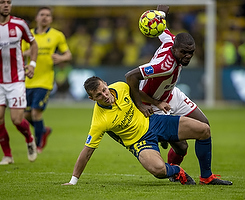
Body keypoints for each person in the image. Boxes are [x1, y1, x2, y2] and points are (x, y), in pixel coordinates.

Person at [62, 76, 232, 186]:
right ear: (92, 99)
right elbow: (87, 151)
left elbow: (138, 94)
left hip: (155, 122)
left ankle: (207, 177)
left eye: (104, 90)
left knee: (203, 129)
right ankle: (177, 171)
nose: (105, 95)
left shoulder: (121, 87)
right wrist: (73, 181)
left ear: (106, 84)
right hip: (140, 142)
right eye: (98, 95)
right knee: (158, 170)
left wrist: (156, 104)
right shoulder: (99, 121)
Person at [125, 5, 228, 185]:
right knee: (182, 146)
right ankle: (173, 168)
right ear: (174, 49)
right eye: (184, 53)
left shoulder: (171, 39)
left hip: (171, 94)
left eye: (191, 52)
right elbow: (130, 77)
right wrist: (142, 105)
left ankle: (206, 177)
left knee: (204, 126)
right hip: (153, 103)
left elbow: (160, 27)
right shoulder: (163, 66)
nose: (188, 56)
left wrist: (161, 13)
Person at [22, 6, 72, 153]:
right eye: (42, 14)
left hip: (45, 80)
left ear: (51, 19)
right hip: (28, 79)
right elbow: (20, 52)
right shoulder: (28, 34)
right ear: (36, 17)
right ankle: (43, 130)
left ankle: (38, 145)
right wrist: (30, 52)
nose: (45, 17)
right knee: (25, 116)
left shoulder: (57, 35)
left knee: (36, 113)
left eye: (48, 15)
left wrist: (61, 57)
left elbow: (68, 55)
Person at [0, 0, 38, 165]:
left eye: (9, 2)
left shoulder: (19, 24)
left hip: (16, 80)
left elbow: (33, 43)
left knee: (16, 120)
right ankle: (8, 155)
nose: (6, 5)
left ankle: (29, 138)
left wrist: (32, 64)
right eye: (2, 2)